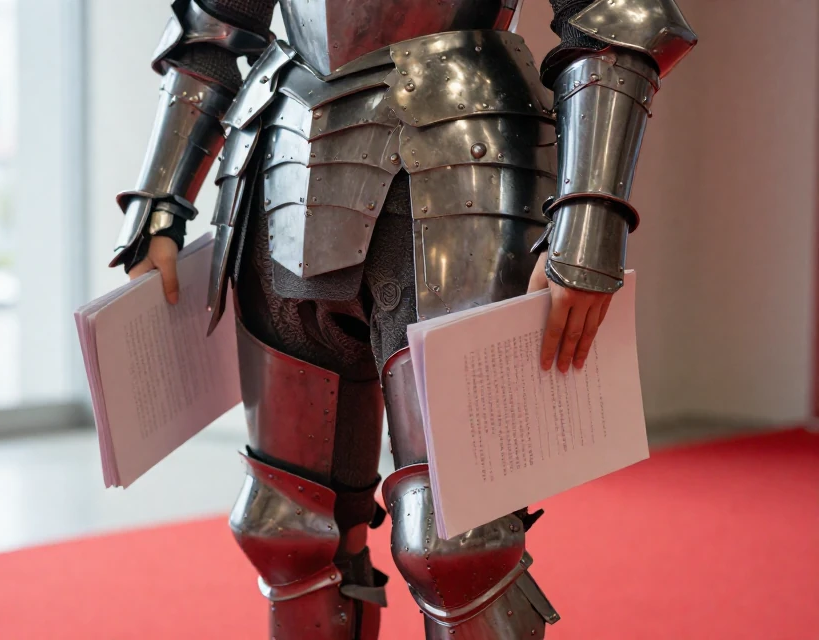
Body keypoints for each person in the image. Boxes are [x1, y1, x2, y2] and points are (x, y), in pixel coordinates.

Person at [110, 1, 696, 637]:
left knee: (456, 541)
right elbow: (216, 22)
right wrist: (159, 201)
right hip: (279, 163)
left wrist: (589, 220)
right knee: (286, 527)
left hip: (457, 170)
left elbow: (614, 15)